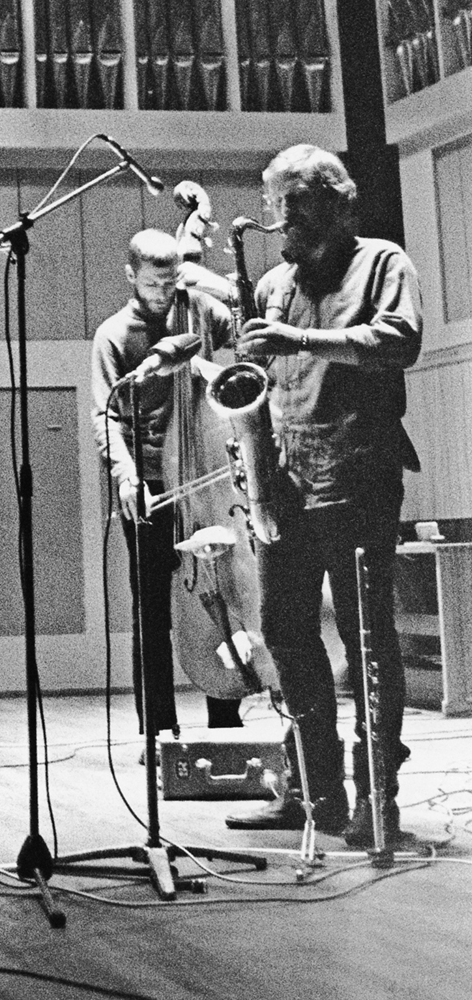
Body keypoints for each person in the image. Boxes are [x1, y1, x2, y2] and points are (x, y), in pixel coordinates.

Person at [226, 145, 421, 845]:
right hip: (284, 483)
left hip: (357, 474)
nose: (282, 218)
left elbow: (397, 341)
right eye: (275, 203)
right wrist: (254, 474)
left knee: (367, 637)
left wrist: (297, 337)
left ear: (339, 202)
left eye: (296, 202)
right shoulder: (273, 284)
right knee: (284, 632)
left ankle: (377, 797)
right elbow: (254, 386)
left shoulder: (382, 262)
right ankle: (315, 793)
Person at [91, 229, 245, 735]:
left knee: (223, 598)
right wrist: (126, 474)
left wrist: (217, 285)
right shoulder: (115, 334)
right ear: (130, 275)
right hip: (152, 483)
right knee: (152, 612)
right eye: (153, 283)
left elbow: (249, 330)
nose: (164, 293)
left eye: (171, 281)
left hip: (208, 483)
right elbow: (105, 416)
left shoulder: (199, 308)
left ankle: (226, 721)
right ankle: (158, 731)